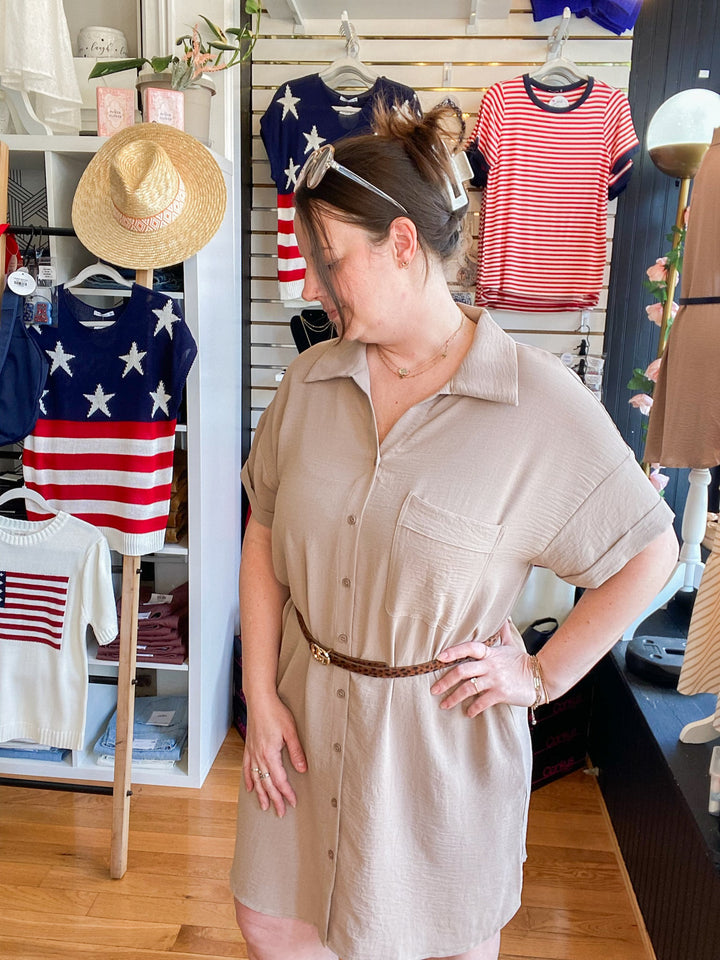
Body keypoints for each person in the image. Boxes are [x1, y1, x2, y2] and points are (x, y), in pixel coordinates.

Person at [231, 103, 678, 960]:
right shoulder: (308, 382)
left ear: (402, 243)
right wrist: (260, 691)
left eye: (330, 261)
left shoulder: (534, 401)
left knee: (437, 943)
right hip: (303, 723)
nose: (313, 288)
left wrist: (541, 674)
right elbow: (266, 530)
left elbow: (650, 550)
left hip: (436, 753)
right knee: (273, 923)